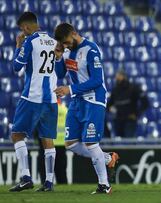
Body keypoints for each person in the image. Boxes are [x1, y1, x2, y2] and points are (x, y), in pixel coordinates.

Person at [53, 23, 119, 194]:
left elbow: (97, 80)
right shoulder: (66, 50)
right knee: (71, 144)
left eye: (67, 42)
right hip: (77, 101)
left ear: (74, 33)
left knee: (91, 142)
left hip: (94, 100)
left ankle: (104, 185)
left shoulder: (90, 49)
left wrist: (70, 89)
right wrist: (59, 57)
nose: (66, 46)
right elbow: (60, 74)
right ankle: (107, 158)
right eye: (63, 44)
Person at [9, 11, 58, 192]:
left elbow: (16, 67)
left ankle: (26, 177)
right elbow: (60, 72)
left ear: (27, 27)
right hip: (51, 98)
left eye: (22, 29)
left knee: (16, 135)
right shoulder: (54, 42)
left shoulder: (29, 41)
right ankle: (49, 182)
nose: (23, 31)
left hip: (32, 96)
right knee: (48, 139)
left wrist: (18, 45)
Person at [107, 69, 149, 137]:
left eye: (119, 76)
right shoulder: (115, 90)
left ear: (124, 76)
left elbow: (145, 102)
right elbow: (110, 104)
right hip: (118, 120)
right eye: (117, 76)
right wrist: (109, 109)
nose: (117, 78)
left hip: (130, 120)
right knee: (119, 143)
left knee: (129, 141)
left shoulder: (133, 88)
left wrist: (137, 114)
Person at [37, 99, 68, 184]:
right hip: (61, 144)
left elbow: (38, 126)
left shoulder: (44, 110)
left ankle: (45, 184)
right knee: (61, 171)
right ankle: (63, 187)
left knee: (45, 169)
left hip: (47, 144)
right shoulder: (64, 110)